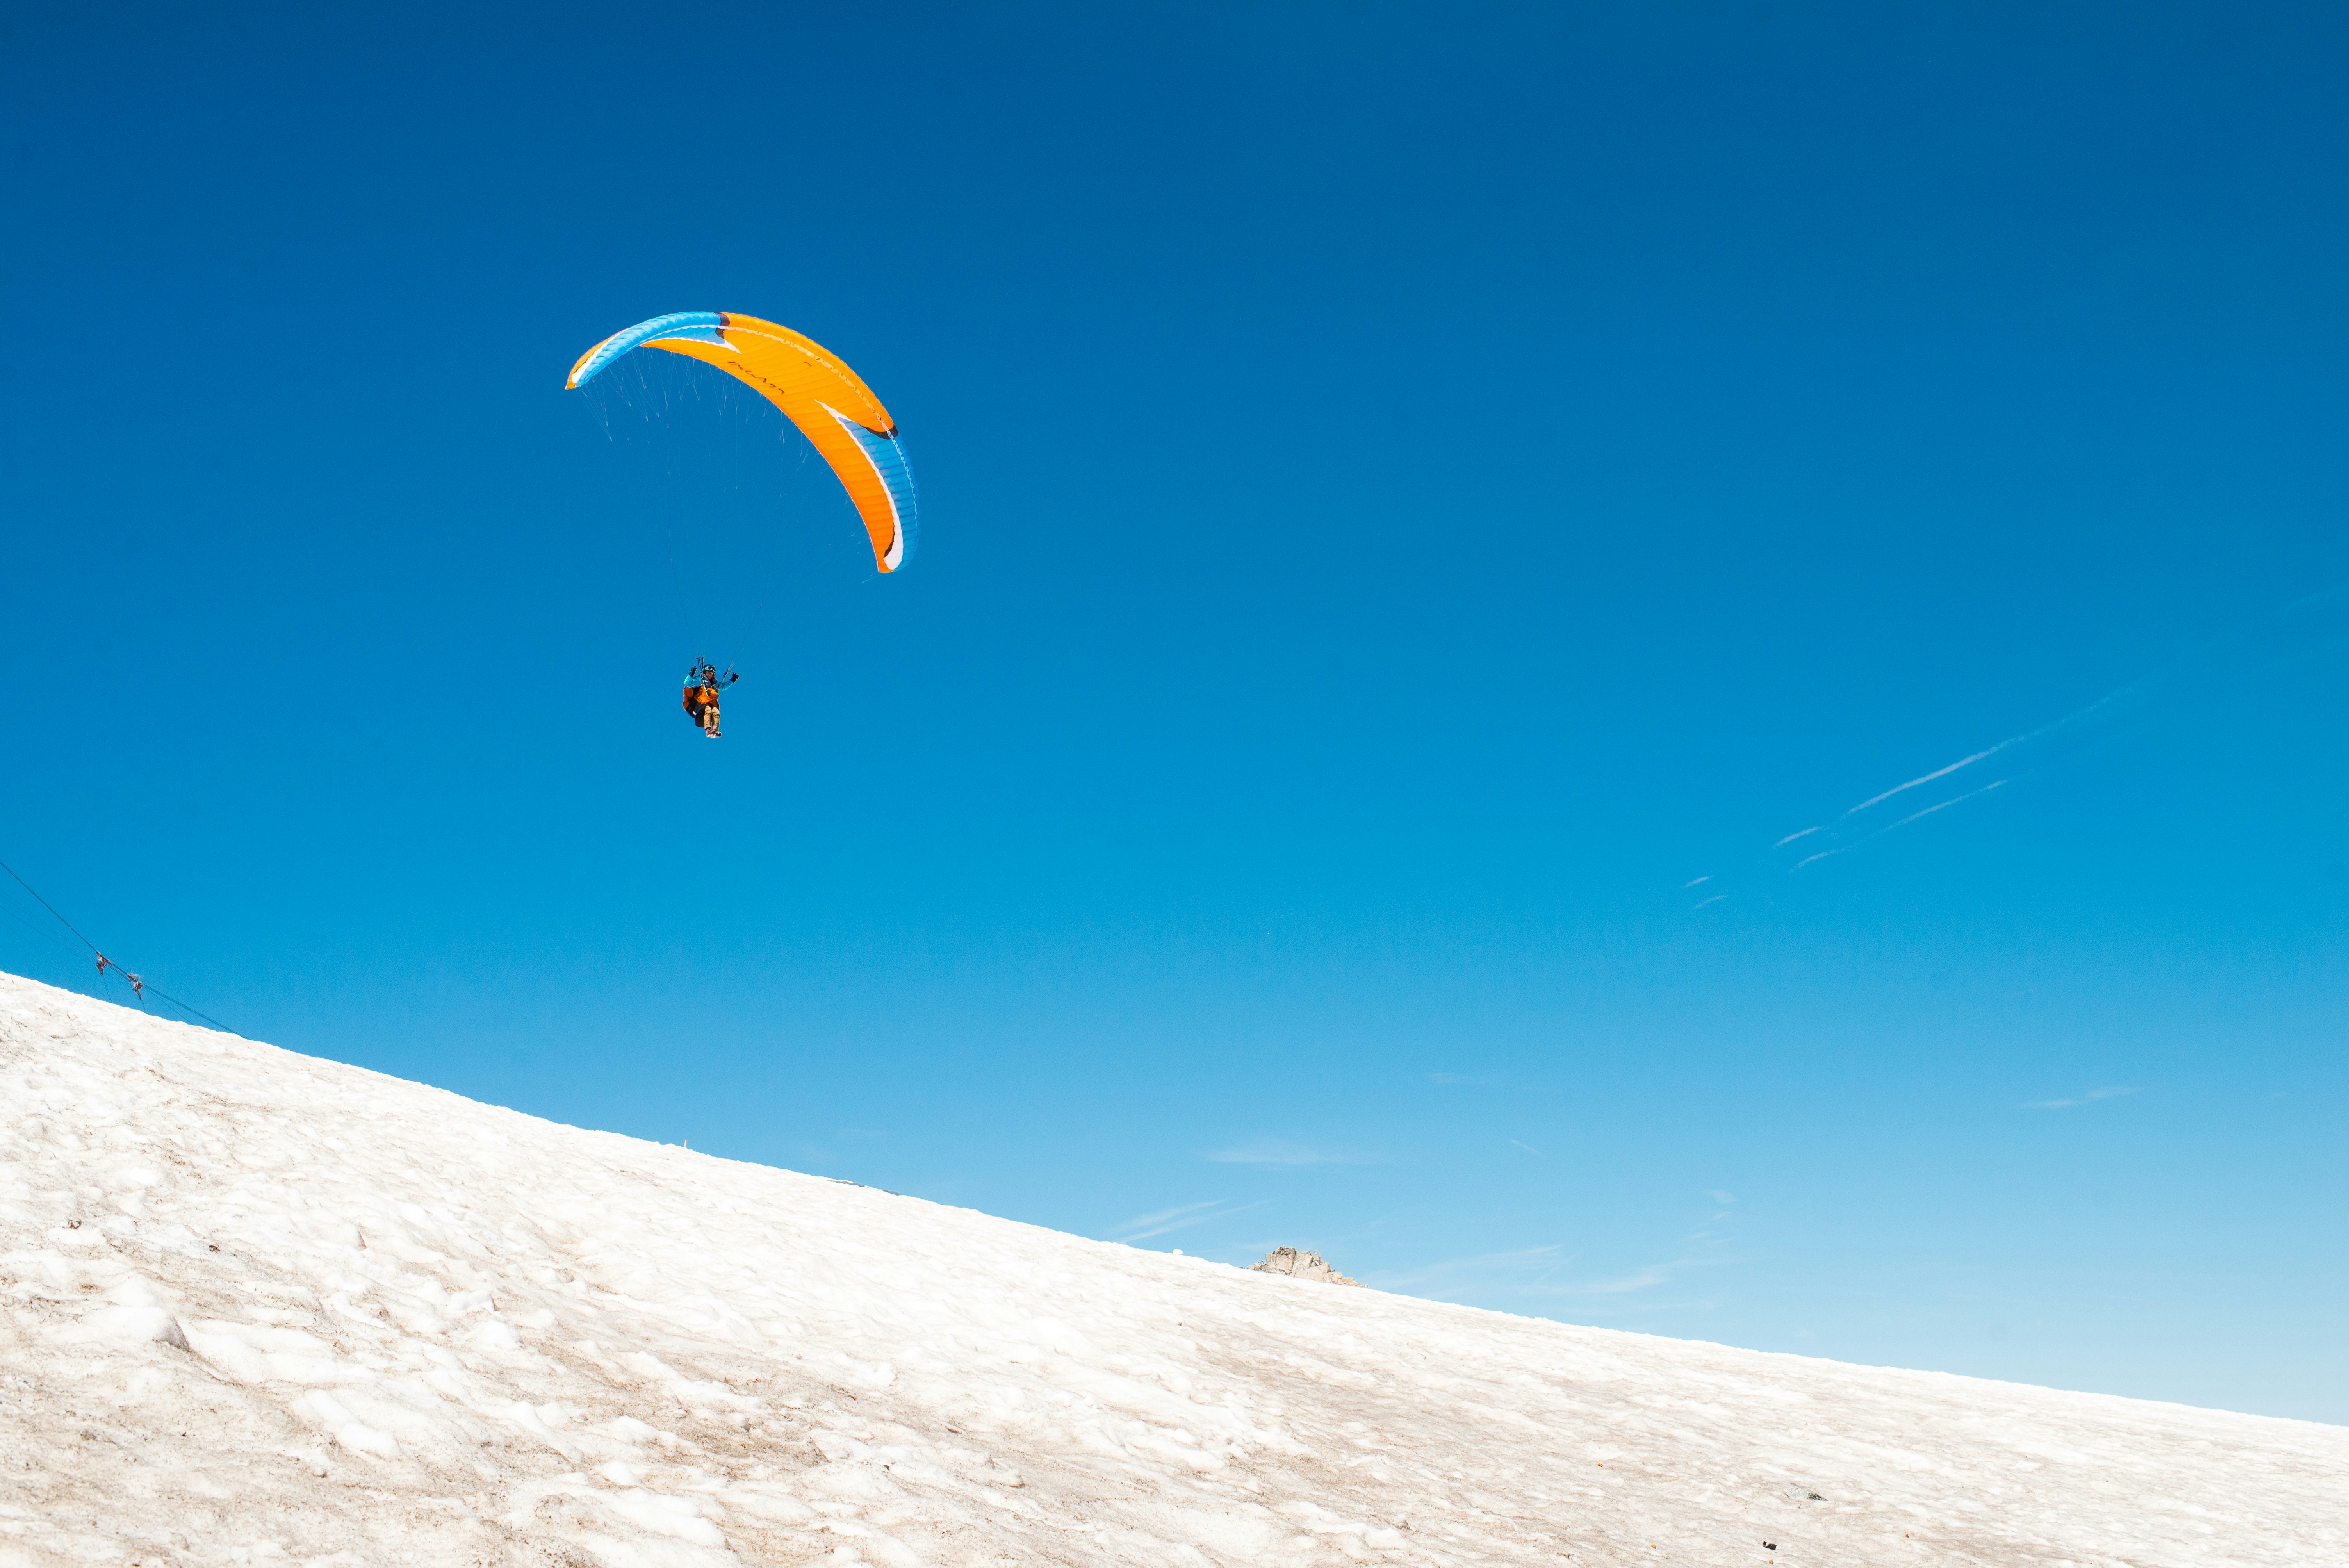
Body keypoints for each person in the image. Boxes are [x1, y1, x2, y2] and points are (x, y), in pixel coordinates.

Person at [681, 660, 736, 738]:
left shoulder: (714, 682)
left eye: (712, 673)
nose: (710, 674)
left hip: (708, 703)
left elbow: (723, 687)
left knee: (716, 712)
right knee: (708, 710)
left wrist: (733, 680)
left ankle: (715, 731)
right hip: (698, 704)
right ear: (705, 672)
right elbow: (688, 683)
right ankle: (708, 730)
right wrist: (691, 674)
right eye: (708, 673)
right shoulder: (699, 680)